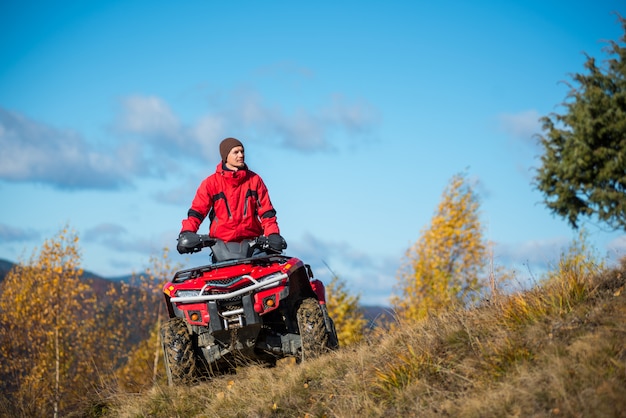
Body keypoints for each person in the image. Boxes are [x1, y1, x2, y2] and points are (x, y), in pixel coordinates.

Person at [177, 137, 286, 258]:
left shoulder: (255, 181)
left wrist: (273, 234)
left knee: (274, 273)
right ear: (225, 156)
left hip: (253, 246)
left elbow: (267, 213)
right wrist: (186, 233)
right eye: (236, 152)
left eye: (242, 151)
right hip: (221, 247)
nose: (241, 155)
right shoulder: (211, 183)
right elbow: (197, 212)